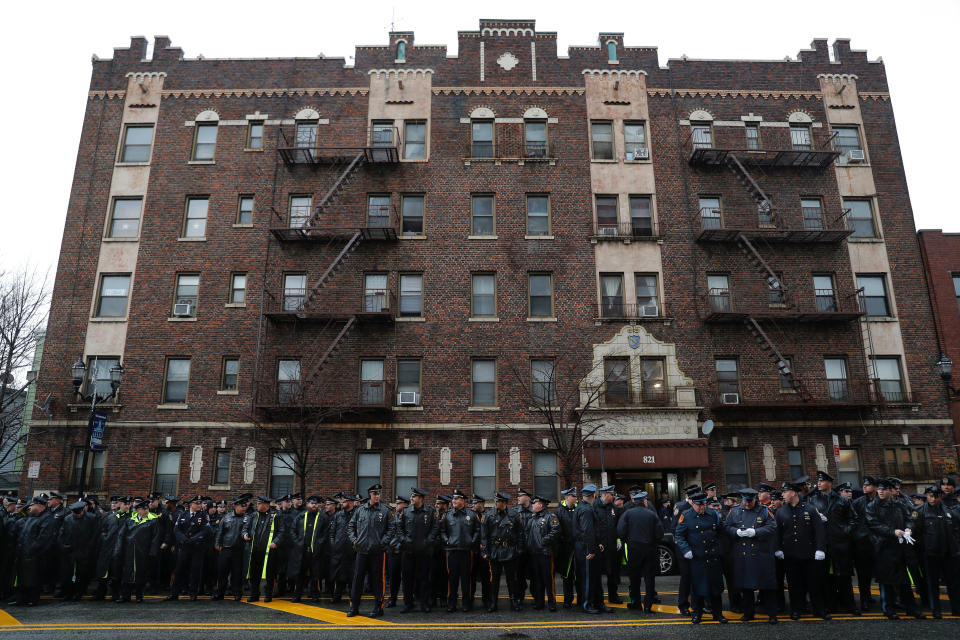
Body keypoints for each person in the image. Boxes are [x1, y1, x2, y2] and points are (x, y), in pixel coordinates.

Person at [865, 478, 925, 620]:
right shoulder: (872, 506)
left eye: (884, 489)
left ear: (891, 491)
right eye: (879, 489)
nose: (881, 492)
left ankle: (911, 608)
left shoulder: (899, 504)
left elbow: (910, 517)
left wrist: (909, 528)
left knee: (904, 580)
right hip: (884, 547)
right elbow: (873, 524)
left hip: (900, 546)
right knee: (887, 581)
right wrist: (892, 531)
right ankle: (888, 609)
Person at [775, 479, 828, 620]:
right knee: (794, 585)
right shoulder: (781, 512)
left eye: (785, 492)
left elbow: (819, 530)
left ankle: (819, 610)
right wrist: (778, 548)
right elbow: (778, 533)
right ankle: (796, 610)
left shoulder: (809, 509)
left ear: (793, 493)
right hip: (790, 555)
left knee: (814, 584)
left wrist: (820, 549)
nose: (783, 495)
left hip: (809, 553)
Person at [805, 471, 858, 615]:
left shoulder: (842, 500)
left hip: (840, 542)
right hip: (823, 543)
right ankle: (829, 605)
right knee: (825, 577)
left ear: (829, 483)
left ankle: (849, 605)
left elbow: (853, 519)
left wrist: (845, 530)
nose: (819, 484)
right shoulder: (813, 500)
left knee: (844, 576)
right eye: (818, 481)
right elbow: (807, 520)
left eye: (822, 481)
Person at [725, 488, 778, 624]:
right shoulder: (735, 510)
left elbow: (772, 527)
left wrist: (756, 532)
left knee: (767, 586)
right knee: (746, 586)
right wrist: (736, 532)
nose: (747, 504)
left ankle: (772, 613)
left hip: (761, 553)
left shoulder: (764, 510)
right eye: (745, 501)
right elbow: (726, 526)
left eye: (750, 501)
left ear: (755, 499)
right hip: (743, 553)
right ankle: (748, 613)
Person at [674, 492, 727, 624]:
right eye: (699, 505)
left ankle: (718, 613)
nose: (702, 507)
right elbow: (679, 535)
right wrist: (686, 550)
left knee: (715, 588)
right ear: (693, 504)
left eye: (703, 504)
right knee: (697, 588)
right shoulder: (686, 515)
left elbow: (721, 532)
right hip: (697, 557)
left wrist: (720, 548)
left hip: (712, 556)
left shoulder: (713, 514)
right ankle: (696, 614)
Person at [911, 485, 959, 618]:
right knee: (932, 583)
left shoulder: (949, 511)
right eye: (930, 496)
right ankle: (936, 609)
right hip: (931, 553)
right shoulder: (919, 511)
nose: (932, 499)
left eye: (935, 496)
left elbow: (955, 530)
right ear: (926, 496)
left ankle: (956, 608)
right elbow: (916, 532)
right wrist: (925, 548)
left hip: (949, 553)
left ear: (940, 497)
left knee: (953, 583)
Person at [347, 483, 393, 618]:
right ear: (370, 495)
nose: (377, 496)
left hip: (377, 552)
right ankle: (354, 607)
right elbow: (351, 526)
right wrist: (354, 540)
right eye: (374, 494)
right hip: (361, 551)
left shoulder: (385, 511)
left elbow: (391, 529)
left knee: (378, 581)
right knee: (357, 580)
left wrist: (382, 542)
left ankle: (378, 607)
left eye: (378, 494)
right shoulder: (360, 510)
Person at [616, 490, 663, 614]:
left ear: (634, 502)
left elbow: (620, 531)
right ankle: (648, 605)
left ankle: (635, 602)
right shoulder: (652, 514)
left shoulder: (627, 514)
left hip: (633, 549)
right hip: (649, 549)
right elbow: (660, 533)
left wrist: (628, 541)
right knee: (649, 578)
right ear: (644, 501)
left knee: (634, 578)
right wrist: (653, 542)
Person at [397, 487, 438, 613]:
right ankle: (408, 603)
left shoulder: (430, 512)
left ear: (420, 498)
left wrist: (428, 540)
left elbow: (435, 528)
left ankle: (424, 603)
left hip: (424, 551)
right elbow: (399, 528)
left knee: (424, 579)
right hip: (408, 551)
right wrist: (404, 540)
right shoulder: (406, 511)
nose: (411, 498)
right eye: (411, 496)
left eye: (414, 496)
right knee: (407, 578)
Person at [12, 495, 57, 606]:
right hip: (24, 554)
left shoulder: (48, 519)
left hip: (36, 556)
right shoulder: (33, 516)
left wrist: (31, 550)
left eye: (31, 505)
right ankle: (21, 598)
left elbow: (43, 540)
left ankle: (32, 599)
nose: (29, 508)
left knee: (34, 578)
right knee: (23, 578)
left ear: (39, 505)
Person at [439, 489, 480, 612]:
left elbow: (478, 530)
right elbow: (442, 531)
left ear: (463, 500)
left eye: (456, 499)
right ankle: (451, 604)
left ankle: (466, 604)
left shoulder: (472, 515)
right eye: (453, 499)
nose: (454, 501)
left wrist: (472, 540)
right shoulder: (447, 514)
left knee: (466, 579)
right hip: (452, 551)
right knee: (452, 579)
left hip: (467, 552)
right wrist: (447, 540)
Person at [482, 491, 522, 612]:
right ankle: (493, 602)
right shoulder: (489, 515)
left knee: (511, 579)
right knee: (494, 579)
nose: (496, 503)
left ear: (504, 503)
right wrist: (485, 551)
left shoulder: (514, 515)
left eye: (498, 501)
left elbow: (520, 533)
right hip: (495, 551)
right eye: (496, 501)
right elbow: (484, 536)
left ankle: (513, 601)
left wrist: (519, 549)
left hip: (510, 550)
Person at [167, 495, 211, 602]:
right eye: (197, 503)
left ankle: (193, 593)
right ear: (191, 504)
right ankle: (174, 594)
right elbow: (176, 529)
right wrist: (184, 539)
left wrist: (194, 539)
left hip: (197, 547)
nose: (199, 505)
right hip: (184, 547)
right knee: (179, 570)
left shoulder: (204, 515)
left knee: (195, 571)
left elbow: (206, 530)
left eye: (200, 503)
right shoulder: (183, 514)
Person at [243, 495, 285, 603]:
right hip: (255, 550)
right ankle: (254, 594)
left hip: (269, 551)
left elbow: (282, 531)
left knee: (269, 574)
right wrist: (244, 534)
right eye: (257, 503)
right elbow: (245, 528)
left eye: (259, 503)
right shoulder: (253, 515)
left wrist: (276, 542)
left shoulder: (276, 515)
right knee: (254, 574)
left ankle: (268, 595)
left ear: (266, 505)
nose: (257, 505)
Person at [120, 498, 161, 603]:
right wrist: (120, 549)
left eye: (147, 508)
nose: (146, 511)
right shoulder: (130, 520)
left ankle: (139, 595)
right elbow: (122, 535)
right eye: (143, 509)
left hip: (143, 551)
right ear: (138, 510)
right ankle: (126, 596)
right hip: (129, 551)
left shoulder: (153, 521)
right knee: (127, 573)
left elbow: (155, 538)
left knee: (141, 574)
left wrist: (152, 551)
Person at [574, 484, 607, 614]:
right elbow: (587, 531)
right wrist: (592, 550)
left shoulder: (581, 507)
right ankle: (586, 604)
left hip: (584, 546)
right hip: (586, 548)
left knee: (590, 577)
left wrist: (597, 543)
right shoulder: (587, 510)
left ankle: (594, 602)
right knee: (587, 578)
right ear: (593, 495)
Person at [289, 495, 328, 603]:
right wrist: (298, 543)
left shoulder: (322, 517)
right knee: (300, 575)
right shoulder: (300, 516)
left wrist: (319, 544)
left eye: (315, 503)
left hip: (315, 552)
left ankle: (315, 595)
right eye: (312, 503)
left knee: (315, 575)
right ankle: (297, 595)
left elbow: (325, 533)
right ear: (307, 504)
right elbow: (293, 531)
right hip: (302, 551)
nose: (314, 505)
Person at [524, 495, 559, 611]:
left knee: (548, 579)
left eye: (534, 503)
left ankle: (551, 602)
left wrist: (543, 541)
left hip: (545, 553)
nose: (532, 505)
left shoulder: (551, 517)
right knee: (537, 579)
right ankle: (539, 602)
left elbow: (556, 531)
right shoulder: (532, 518)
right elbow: (527, 533)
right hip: (534, 553)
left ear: (541, 505)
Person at [214, 495, 250, 601]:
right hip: (225, 549)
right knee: (222, 572)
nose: (244, 508)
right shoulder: (227, 517)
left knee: (237, 573)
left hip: (239, 550)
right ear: (236, 506)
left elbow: (246, 531)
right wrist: (217, 543)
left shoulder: (247, 518)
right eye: (241, 506)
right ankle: (220, 593)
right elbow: (220, 532)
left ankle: (237, 593)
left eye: (245, 506)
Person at [671, 484, 701, 615]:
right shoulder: (682, 507)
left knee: (699, 577)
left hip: (698, 546)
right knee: (686, 577)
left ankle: (699, 603)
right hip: (684, 548)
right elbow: (674, 528)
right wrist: (683, 547)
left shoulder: (701, 507)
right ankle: (683, 604)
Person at [95, 496, 130, 601]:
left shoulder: (130, 518)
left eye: (128, 504)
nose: (127, 506)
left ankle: (115, 594)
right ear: (120, 505)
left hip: (120, 550)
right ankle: (100, 594)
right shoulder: (110, 516)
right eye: (125, 504)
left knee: (117, 574)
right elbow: (102, 529)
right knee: (103, 573)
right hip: (107, 549)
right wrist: (105, 538)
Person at [593, 486, 622, 605]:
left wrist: (619, 539)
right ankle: (598, 599)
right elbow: (593, 527)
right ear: (605, 494)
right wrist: (597, 542)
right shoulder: (595, 507)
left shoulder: (613, 507)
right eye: (612, 494)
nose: (614, 496)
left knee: (613, 572)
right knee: (598, 573)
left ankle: (613, 596)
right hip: (600, 546)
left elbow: (618, 525)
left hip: (612, 545)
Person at [554, 487, 580, 608]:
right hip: (566, 549)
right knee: (567, 576)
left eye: (575, 496)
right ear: (567, 497)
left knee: (580, 576)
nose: (576, 498)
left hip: (578, 547)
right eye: (573, 496)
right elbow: (557, 531)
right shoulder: (559, 511)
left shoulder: (579, 509)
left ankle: (581, 599)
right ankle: (567, 600)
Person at [328, 493, 357, 603]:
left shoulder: (357, 514)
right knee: (338, 575)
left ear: (350, 502)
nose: (341, 503)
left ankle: (352, 597)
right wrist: (333, 544)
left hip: (352, 551)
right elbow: (332, 532)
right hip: (339, 550)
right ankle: (337, 596)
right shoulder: (338, 515)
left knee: (352, 576)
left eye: (344, 501)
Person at [385, 495, 408, 608]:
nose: (397, 505)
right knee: (393, 577)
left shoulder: (408, 516)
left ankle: (407, 600)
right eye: (397, 503)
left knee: (407, 577)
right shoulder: (392, 516)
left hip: (404, 551)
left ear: (405, 505)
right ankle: (392, 598)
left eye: (400, 503)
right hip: (393, 551)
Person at [468, 495, 491, 609]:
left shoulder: (488, 515)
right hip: (473, 550)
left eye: (475, 503)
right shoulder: (470, 515)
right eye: (472, 503)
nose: (472, 505)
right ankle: (470, 599)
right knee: (471, 576)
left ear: (482, 504)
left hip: (485, 551)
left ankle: (486, 599)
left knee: (486, 577)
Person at [512, 489, 534, 600]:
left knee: (535, 575)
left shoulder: (535, 511)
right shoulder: (515, 512)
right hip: (519, 549)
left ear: (528, 497)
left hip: (532, 549)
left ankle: (537, 598)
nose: (518, 498)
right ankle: (519, 597)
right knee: (518, 575)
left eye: (520, 496)